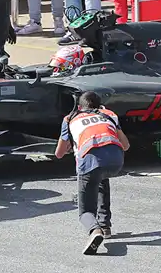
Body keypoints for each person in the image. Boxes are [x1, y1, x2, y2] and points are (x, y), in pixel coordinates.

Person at [55, 91, 130, 254]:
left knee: (85, 213)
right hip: (116, 161)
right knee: (101, 177)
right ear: (99, 105)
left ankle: (95, 230)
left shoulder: (70, 118)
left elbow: (59, 154)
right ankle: (105, 226)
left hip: (89, 161)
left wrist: (71, 146)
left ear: (80, 107)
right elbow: (126, 145)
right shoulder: (109, 114)